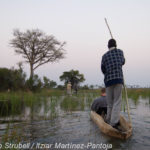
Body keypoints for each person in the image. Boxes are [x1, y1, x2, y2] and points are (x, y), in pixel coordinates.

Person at [101, 39, 125, 130]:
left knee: (110, 102)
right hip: (118, 79)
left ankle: (108, 119)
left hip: (108, 81)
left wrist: (109, 72)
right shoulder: (120, 52)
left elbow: (103, 69)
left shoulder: (104, 56)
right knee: (117, 101)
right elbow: (123, 61)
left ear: (108, 46)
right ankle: (113, 123)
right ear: (116, 45)